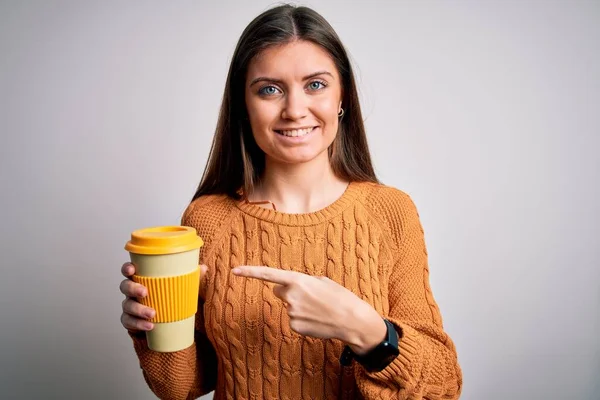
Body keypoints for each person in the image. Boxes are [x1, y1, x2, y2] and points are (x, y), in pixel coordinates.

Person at [119, 4, 462, 399]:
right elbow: (178, 387)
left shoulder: (390, 213)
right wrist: (154, 326)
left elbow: (442, 387)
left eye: (315, 84)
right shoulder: (208, 219)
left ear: (342, 96)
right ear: (244, 105)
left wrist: (365, 329)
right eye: (270, 89)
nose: (295, 110)